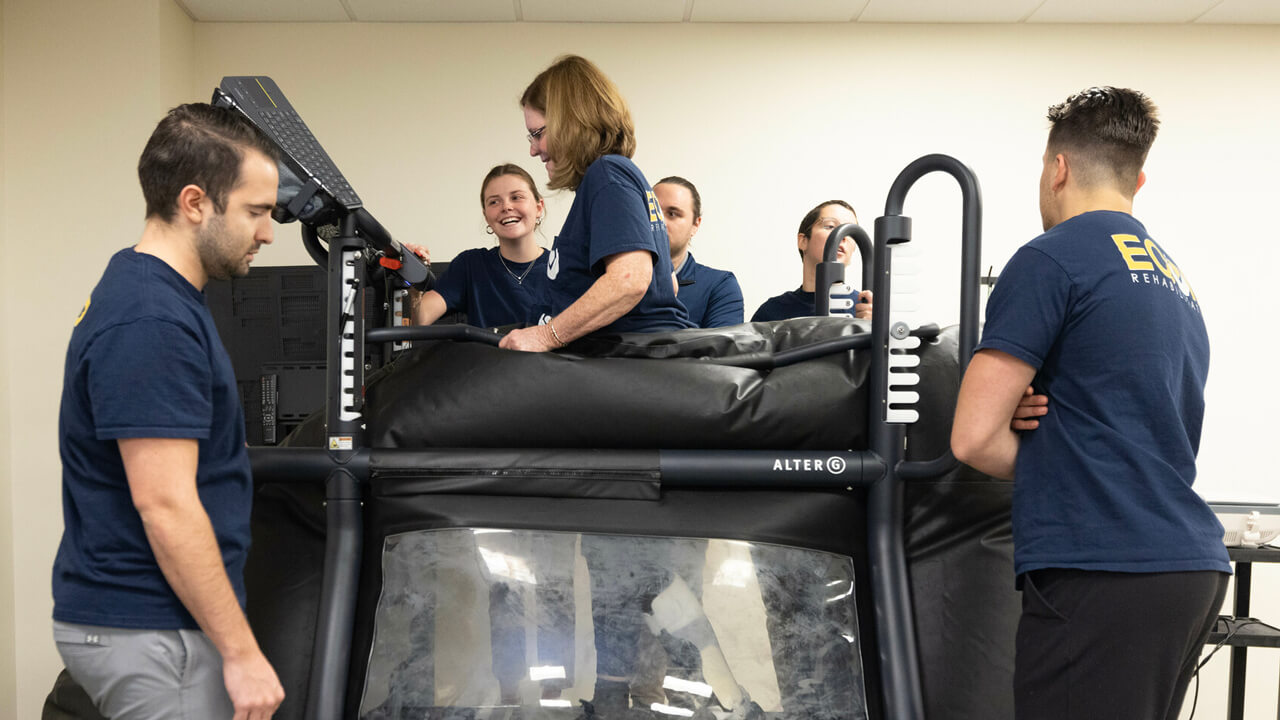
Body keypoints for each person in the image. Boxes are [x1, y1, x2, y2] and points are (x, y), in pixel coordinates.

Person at [950, 87, 1230, 720]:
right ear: (1139, 178)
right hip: (1187, 566)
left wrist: (1046, 445)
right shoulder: (1173, 278)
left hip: (1103, 567)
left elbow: (971, 438)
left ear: (1058, 169)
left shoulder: (1052, 257)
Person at [51, 103, 286, 719]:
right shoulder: (150, 320)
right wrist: (240, 653)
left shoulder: (157, 297)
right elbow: (164, 503)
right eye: (255, 212)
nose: (267, 232)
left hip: (153, 624)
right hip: (152, 630)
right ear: (194, 202)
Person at [501, 55, 692, 352]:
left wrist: (544, 336)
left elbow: (630, 279)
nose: (533, 149)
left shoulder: (607, 174)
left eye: (538, 133)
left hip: (629, 365)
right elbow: (668, 284)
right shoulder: (613, 178)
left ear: (570, 123)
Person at [404, 164, 549, 328]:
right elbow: (418, 320)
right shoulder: (470, 265)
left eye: (516, 197)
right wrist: (413, 276)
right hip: (487, 354)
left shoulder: (561, 268)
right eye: (494, 202)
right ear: (486, 216)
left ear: (539, 207)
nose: (506, 207)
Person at [750, 200, 872, 322]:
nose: (842, 236)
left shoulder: (866, 310)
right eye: (830, 226)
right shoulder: (772, 312)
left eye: (850, 232)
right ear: (803, 241)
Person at [653, 176, 744, 327]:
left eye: (672, 214)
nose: (659, 221)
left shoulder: (720, 286)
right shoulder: (620, 278)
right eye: (653, 212)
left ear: (695, 224)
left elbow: (721, 348)